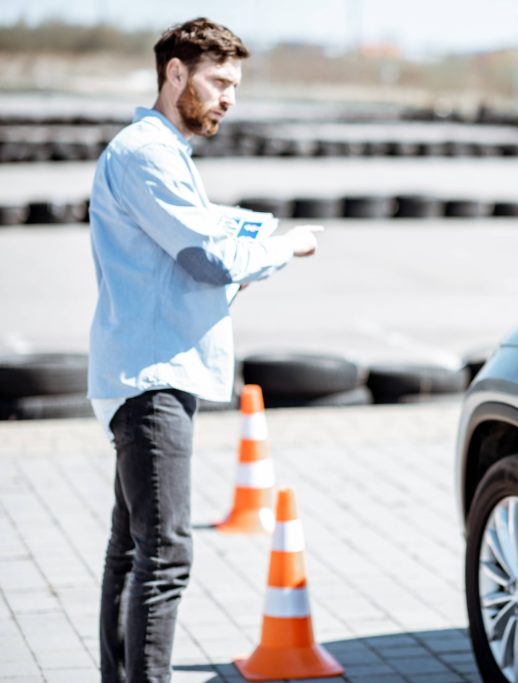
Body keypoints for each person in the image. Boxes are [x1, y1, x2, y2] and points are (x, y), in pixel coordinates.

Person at [87, 18, 323, 682]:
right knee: (165, 555)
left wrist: (240, 243)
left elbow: (193, 253)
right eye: (219, 82)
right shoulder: (146, 154)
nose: (228, 98)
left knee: (132, 552)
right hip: (150, 378)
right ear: (175, 74)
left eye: (235, 87)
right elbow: (207, 256)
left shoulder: (164, 156)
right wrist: (286, 246)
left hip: (150, 370)